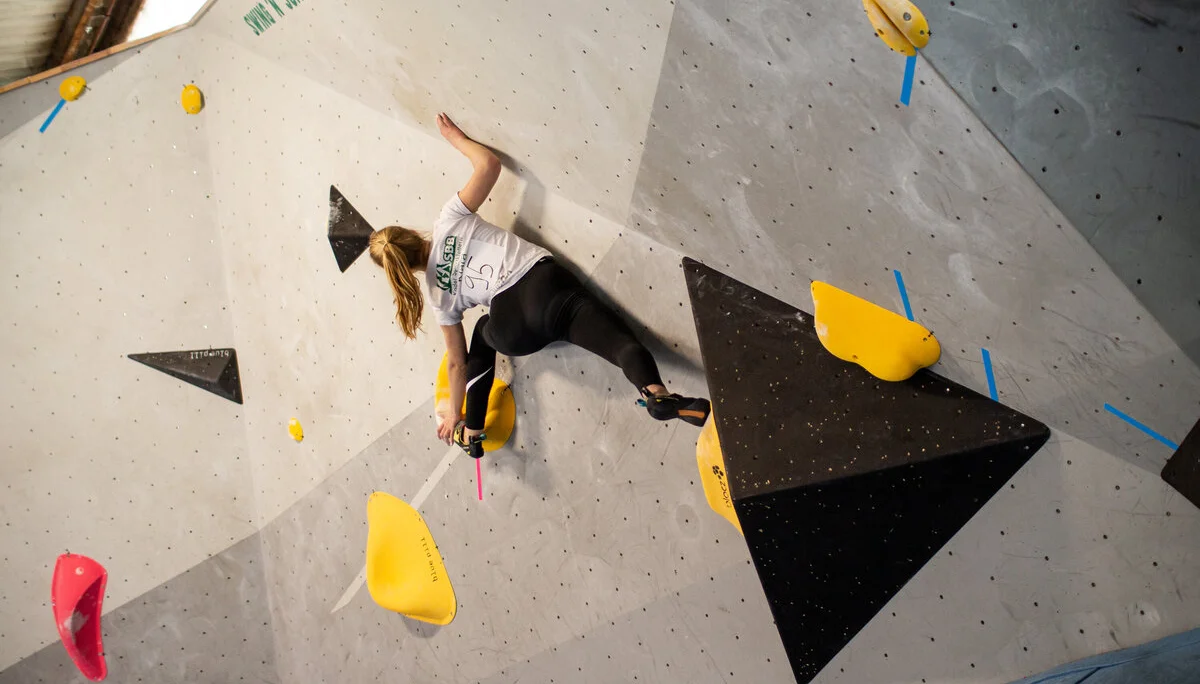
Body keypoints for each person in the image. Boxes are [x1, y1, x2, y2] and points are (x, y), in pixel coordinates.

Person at [368, 113, 711, 458]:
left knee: (484, 331)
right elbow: (489, 164)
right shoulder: (448, 219)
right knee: (620, 345)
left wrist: (454, 414)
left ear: (405, 270)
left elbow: (457, 363)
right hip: (546, 285)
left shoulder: (438, 296)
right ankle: (655, 392)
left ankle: (472, 431)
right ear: (411, 233)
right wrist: (456, 138)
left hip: (514, 331)